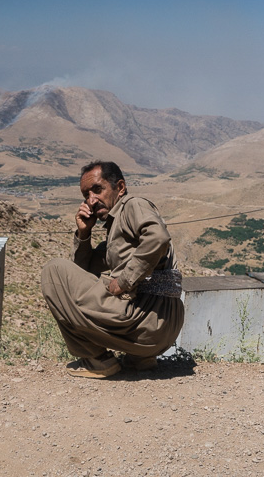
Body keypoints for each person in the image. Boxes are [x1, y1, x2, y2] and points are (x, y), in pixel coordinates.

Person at [41, 160, 185, 378]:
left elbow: (158, 237)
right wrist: (83, 234)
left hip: (147, 320)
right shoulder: (115, 230)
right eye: (86, 195)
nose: (91, 200)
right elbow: (82, 272)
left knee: (53, 272)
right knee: (89, 278)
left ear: (120, 187)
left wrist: (125, 281)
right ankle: (140, 360)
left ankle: (98, 360)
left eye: (97, 190)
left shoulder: (131, 205)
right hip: (162, 327)